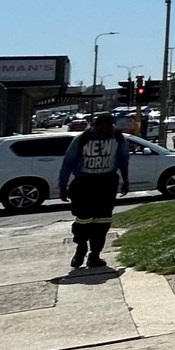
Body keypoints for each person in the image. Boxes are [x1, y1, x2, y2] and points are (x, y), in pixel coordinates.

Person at [60, 112, 130, 270]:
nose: (105, 128)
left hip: (107, 182)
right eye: (101, 125)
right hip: (84, 182)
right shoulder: (82, 138)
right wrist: (63, 186)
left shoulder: (118, 138)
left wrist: (126, 181)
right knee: (83, 219)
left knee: (103, 221)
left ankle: (95, 255)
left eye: (108, 125)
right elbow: (68, 162)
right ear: (95, 125)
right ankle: (81, 248)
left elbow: (123, 159)